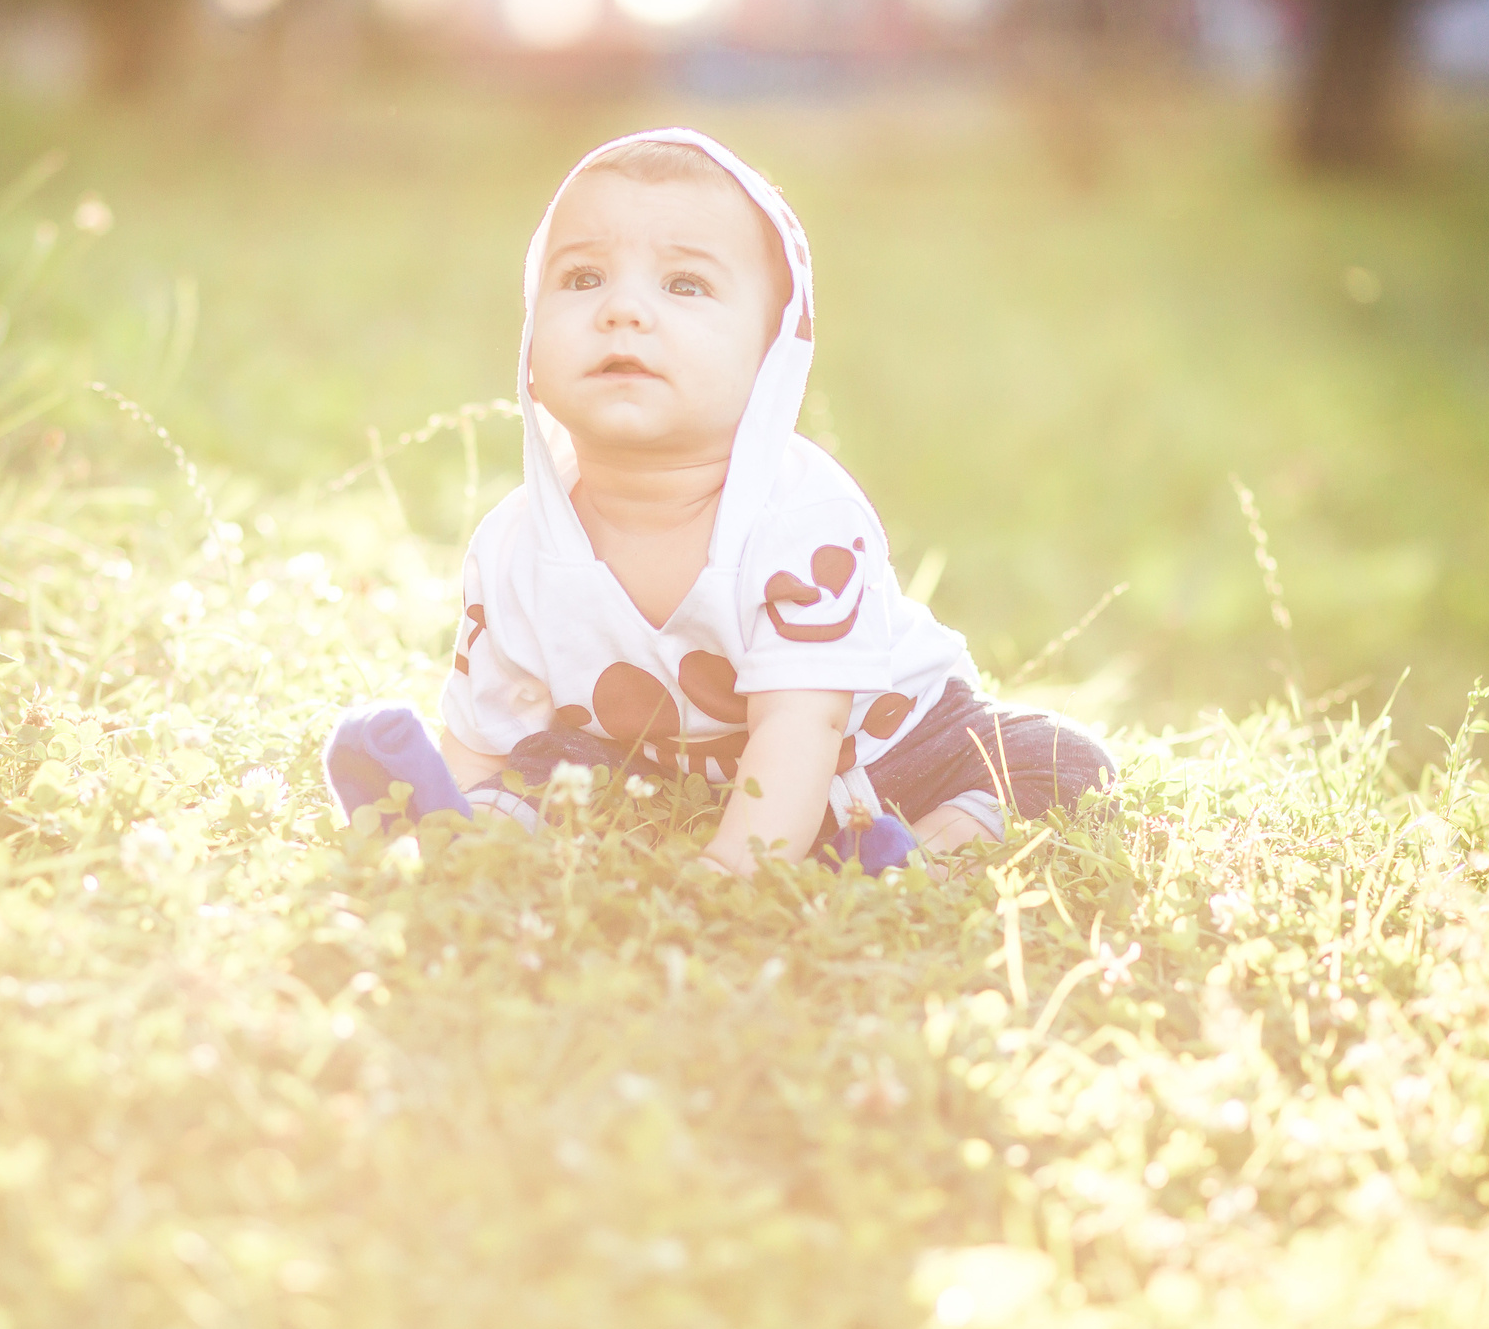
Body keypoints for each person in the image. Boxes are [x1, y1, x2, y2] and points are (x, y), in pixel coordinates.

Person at [324, 128, 1112, 875]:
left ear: (772, 356)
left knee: (1063, 765)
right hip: (660, 764)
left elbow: (804, 725)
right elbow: (491, 722)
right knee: (555, 763)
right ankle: (450, 828)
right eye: (582, 278)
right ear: (530, 348)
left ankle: (911, 850)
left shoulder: (799, 523)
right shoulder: (514, 544)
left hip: (887, 742)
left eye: (685, 284)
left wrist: (732, 870)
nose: (623, 309)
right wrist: (465, 784)